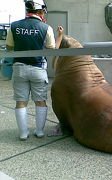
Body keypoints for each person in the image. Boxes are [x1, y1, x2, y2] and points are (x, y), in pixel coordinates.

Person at [5, 0, 64, 140]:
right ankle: (39, 132)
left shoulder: (14, 26)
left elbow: (9, 47)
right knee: (40, 101)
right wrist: (60, 35)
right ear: (41, 11)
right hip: (38, 69)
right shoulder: (46, 27)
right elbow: (52, 49)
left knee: (21, 102)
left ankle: (23, 133)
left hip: (19, 68)